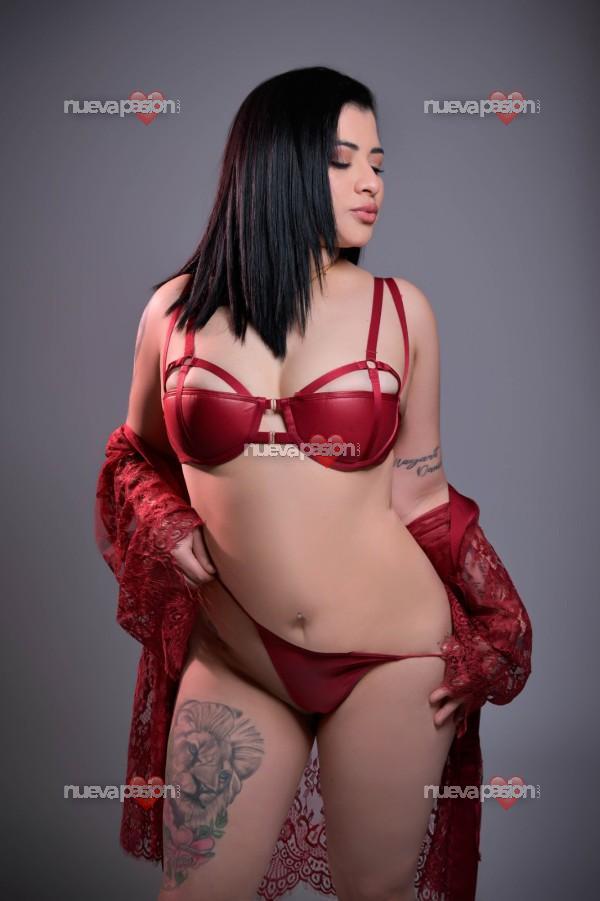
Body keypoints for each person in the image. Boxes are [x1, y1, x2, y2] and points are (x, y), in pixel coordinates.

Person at [95, 66, 532, 901]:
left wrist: (499, 617)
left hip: (391, 655)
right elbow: (133, 458)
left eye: (379, 162)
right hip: (240, 655)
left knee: (377, 894)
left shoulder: (402, 311)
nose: (372, 182)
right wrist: (159, 516)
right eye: (344, 160)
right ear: (277, 162)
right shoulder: (173, 315)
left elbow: (421, 499)